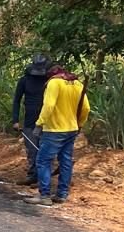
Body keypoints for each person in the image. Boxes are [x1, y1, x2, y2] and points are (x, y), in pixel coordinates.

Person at [32, 64, 90, 206]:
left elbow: (49, 105)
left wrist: (39, 123)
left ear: (51, 74)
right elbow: (86, 108)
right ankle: (62, 194)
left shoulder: (54, 83)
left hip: (54, 130)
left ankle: (44, 195)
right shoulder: (77, 83)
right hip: (71, 129)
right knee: (65, 161)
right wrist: (80, 124)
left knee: (43, 161)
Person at [11, 54, 51, 185]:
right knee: (32, 150)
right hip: (30, 121)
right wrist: (15, 120)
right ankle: (33, 175)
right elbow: (17, 100)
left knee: (45, 150)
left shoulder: (50, 80)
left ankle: (43, 179)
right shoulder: (24, 80)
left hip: (47, 121)